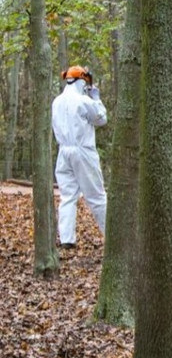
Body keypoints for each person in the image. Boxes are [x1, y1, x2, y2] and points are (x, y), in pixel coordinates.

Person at [51, 65, 108, 249]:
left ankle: (67, 239)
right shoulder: (83, 101)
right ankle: (111, 235)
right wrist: (97, 99)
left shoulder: (57, 101)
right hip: (83, 151)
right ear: (82, 80)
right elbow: (101, 119)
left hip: (63, 152)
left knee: (67, 196)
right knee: (97, 196)